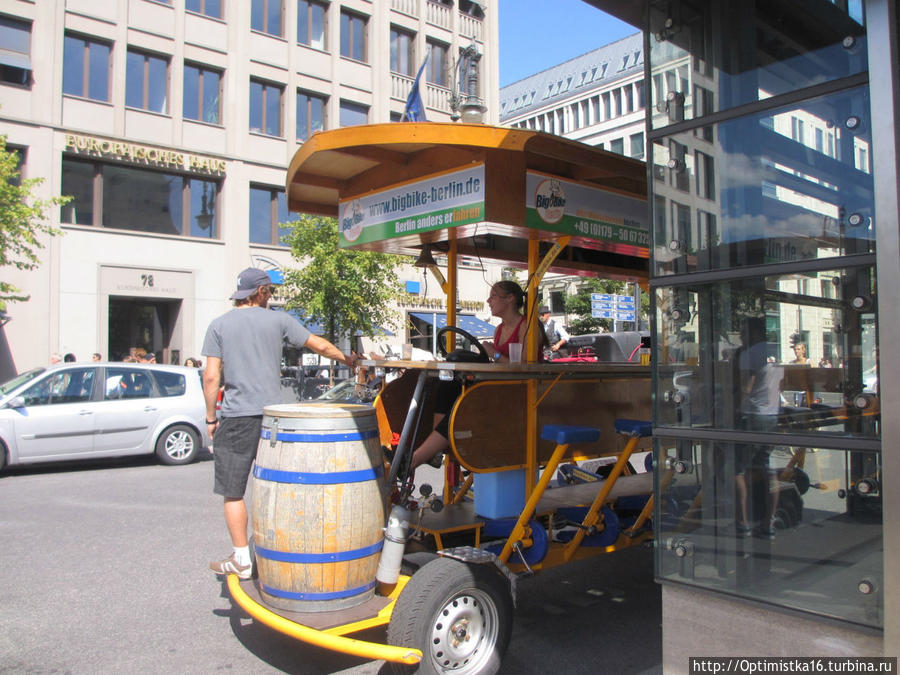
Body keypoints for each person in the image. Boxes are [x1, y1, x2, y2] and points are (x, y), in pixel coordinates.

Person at [203, 267, 359, 580]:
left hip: (236, 416)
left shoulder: (219, 325)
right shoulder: (279, 320)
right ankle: (289, 548)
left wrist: (210, 417)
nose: (271, 297)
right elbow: (319, 346)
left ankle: (241, 559)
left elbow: (210, 376)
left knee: (234, 493)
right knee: (277, 484)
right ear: (260, 292)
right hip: (274, 417)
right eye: (270, 292)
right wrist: (347, 360)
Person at [408, 280, 546, 470]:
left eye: (493, 296)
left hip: (520, 393)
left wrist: (493, 354)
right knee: (447, 383)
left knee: (466, 405)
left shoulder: (527, 326)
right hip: (497, 388)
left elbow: (522, 367)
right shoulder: (498, 330)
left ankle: (414, 459)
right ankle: (435, 452)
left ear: (510, 299)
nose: (489, 301)